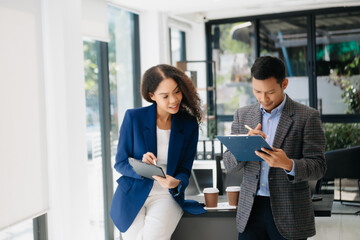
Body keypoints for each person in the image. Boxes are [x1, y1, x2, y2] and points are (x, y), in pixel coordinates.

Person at [223, 56, 326, 240]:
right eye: (257, 91)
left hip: (290, 211)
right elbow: (229, 164)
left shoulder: (307, 117)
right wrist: (244, 146)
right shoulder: (243, 115)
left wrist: (288, 164)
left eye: (270, 92)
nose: (263, 98)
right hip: (250, 210)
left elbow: (318, 167)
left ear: (284, 84)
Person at [110, 64, 206, 240]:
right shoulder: (134, 118)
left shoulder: (189, 124)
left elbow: (185, 169)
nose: (174, 100)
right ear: (151, 96)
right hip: (132, 193)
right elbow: (120, 163)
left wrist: (176, 182)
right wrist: (141, 166)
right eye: (165, 96)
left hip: (166, 195)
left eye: (177, 92)